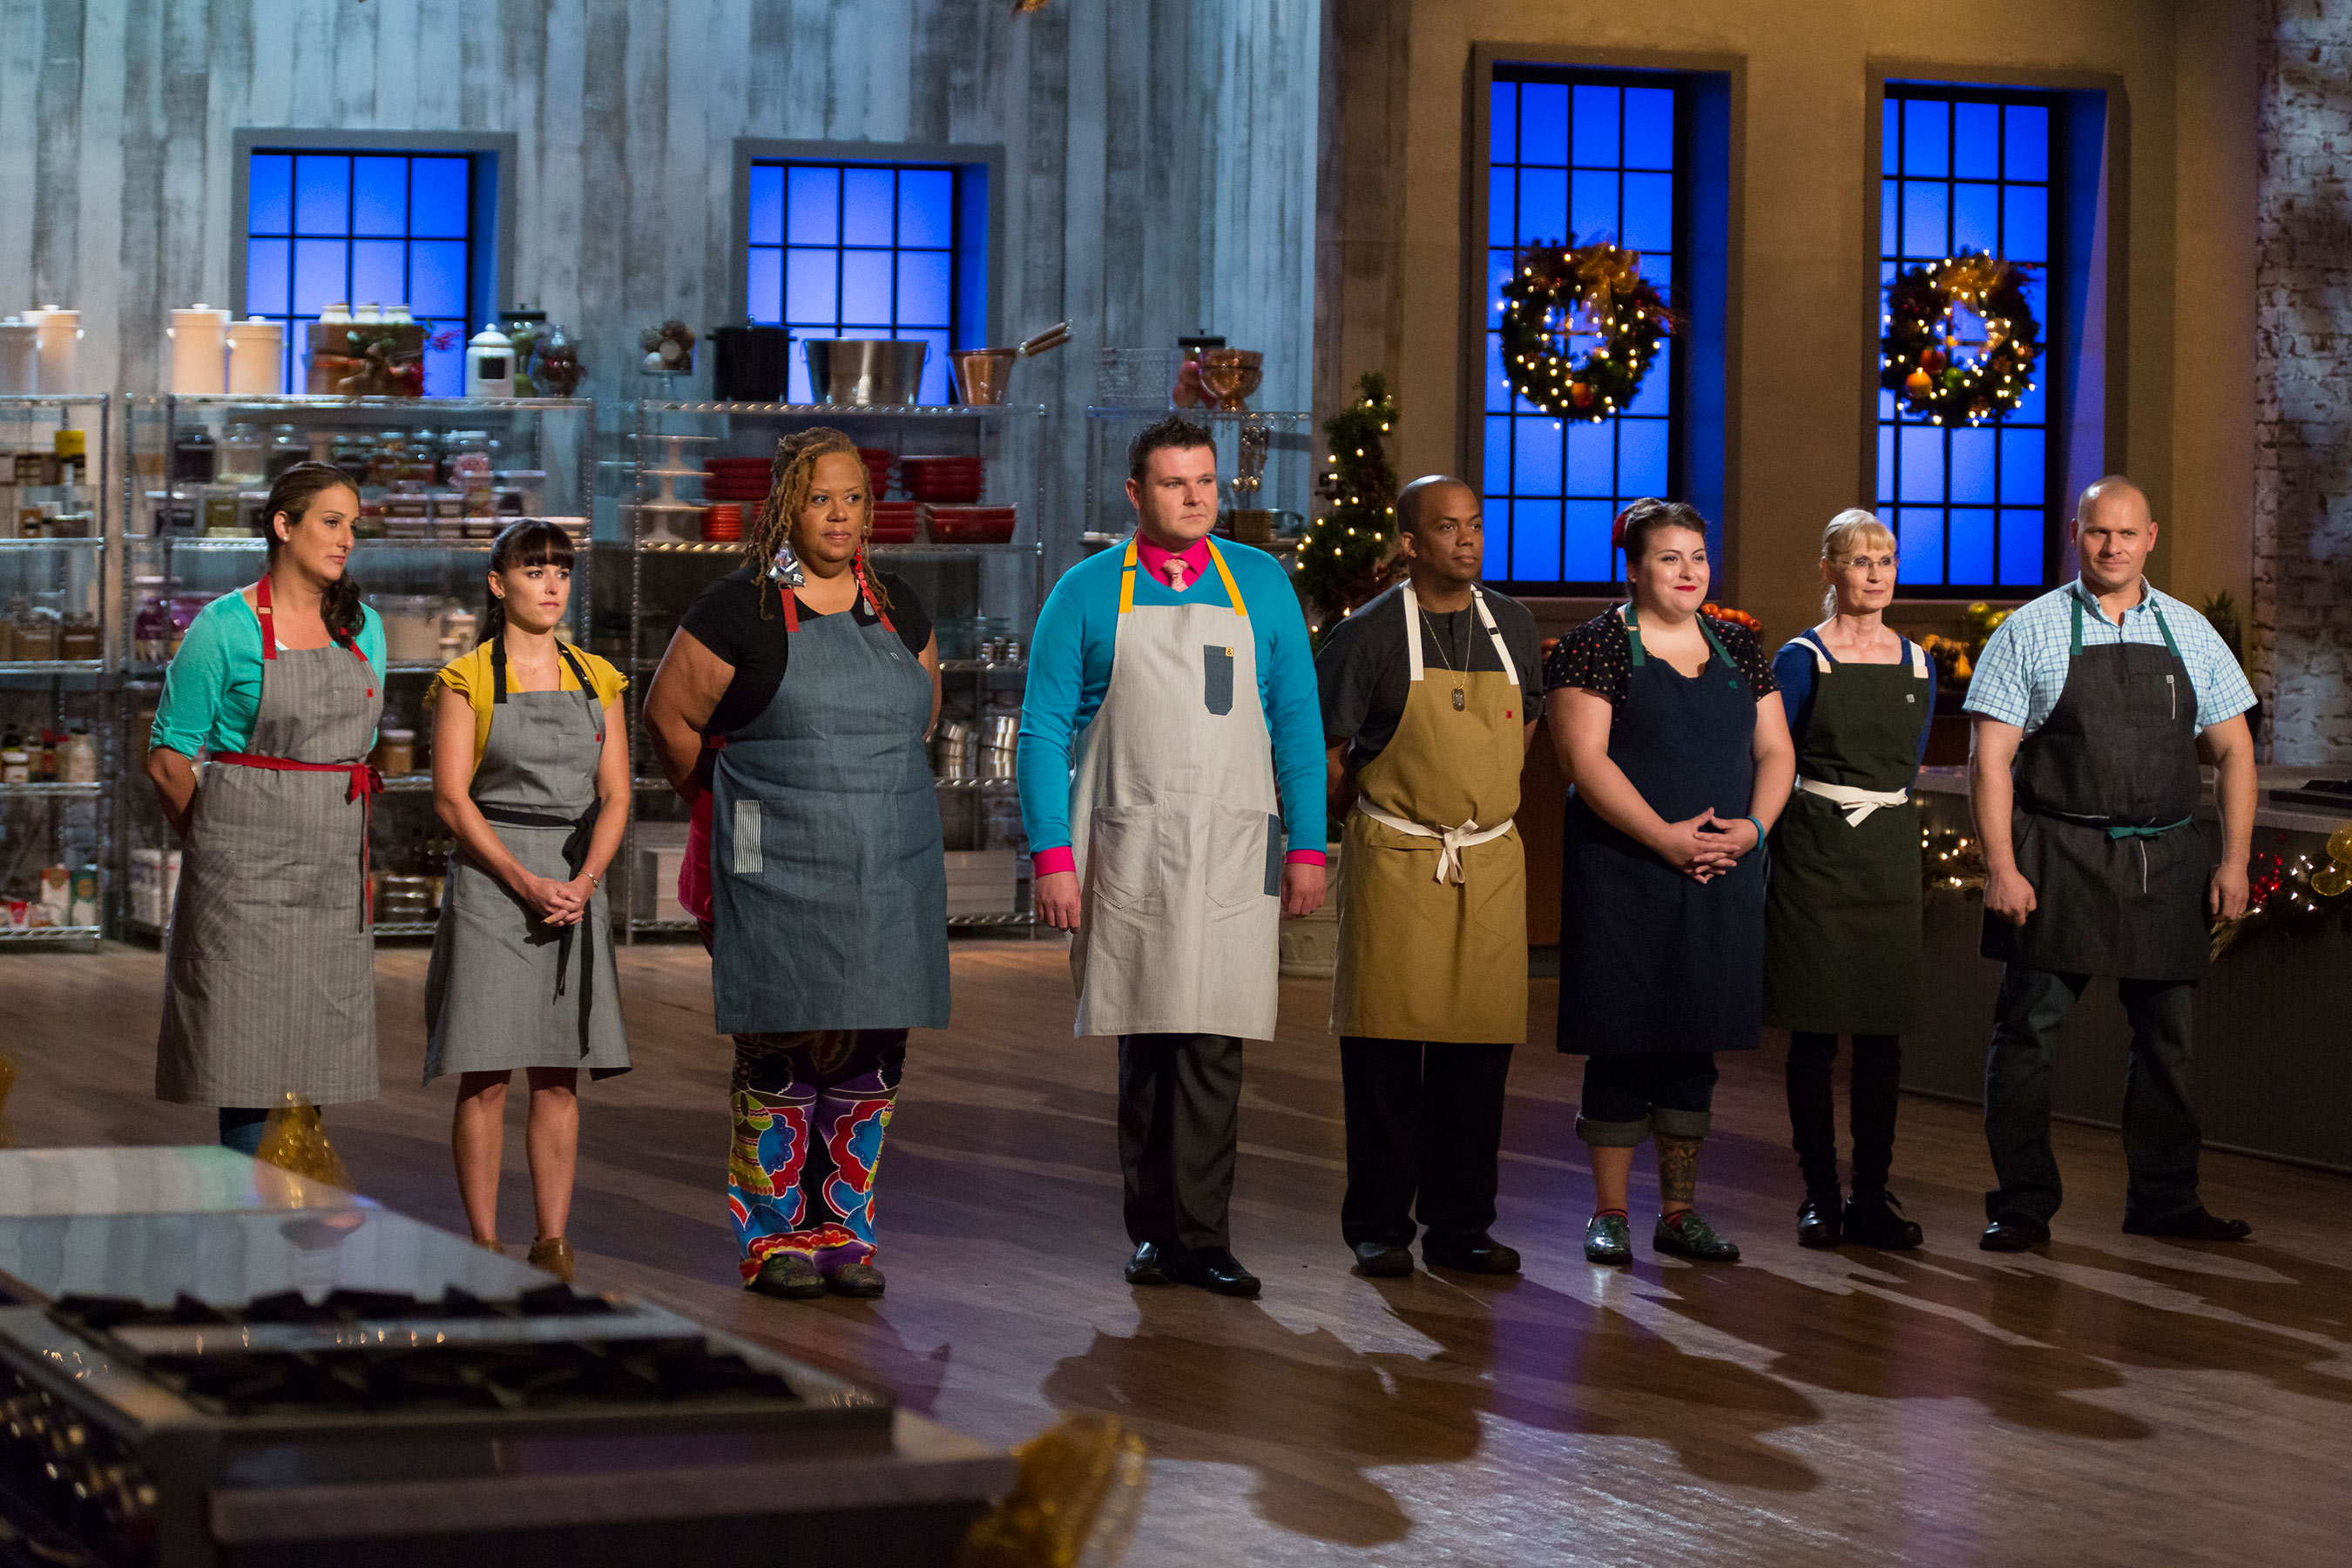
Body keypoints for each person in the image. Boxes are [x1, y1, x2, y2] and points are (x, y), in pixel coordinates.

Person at [1019, 413, 1327, 1299]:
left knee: (1215, 1039)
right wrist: (1052, 857)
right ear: (1135, 493)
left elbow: (1297, 725)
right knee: (1147, 1039)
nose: (1195, 497)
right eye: (1173, 482)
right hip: (1131, 848)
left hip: (1234, 847)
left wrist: (1308, 845)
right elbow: (1042, 732)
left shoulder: (1261, 583)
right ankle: (1155, 1233)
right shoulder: (1084, 593)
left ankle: (1205, 1238)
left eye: (1205, 481)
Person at [642, 427, 943, 1301]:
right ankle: (774, 1237)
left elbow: (919, 720)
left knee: (870, 1050)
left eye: (853, 498)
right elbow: (669, 719)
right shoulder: (736, 610)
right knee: (782, 1049)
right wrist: (730, 799)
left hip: (886, 865)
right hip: (771, 863)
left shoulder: (901, 607)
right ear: (784, 508)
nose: (839, 515)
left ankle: (844, 1230)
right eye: (820, 499)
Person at [1966, 476, 2257, 1250]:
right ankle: (2022, 1205)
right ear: (2076, 533)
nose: (2112, 546)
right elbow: (1989, 761)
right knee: (2027, 1038)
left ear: (2150, 539)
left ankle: (2165, 1200)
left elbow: (2235, 751)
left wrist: (2234, 860)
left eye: (2127, 533)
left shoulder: (2191, 631)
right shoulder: (2028, 631)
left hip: (2167, 861)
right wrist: (2002, 867)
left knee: (2169, 1043)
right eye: (2099, 531)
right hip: (2057, 857)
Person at [1544, 498, 1794, 1267]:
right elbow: (1584, 762)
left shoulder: (1738, 646)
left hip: (1720, 875)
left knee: (1694, 1044)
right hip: (1624, 876)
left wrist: (1751, 831)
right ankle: (1611, 1212)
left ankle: (1680, 1213)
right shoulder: (1593, 647)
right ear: (1633, 568)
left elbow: (1777, 752)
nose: (1689, 572)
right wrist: (1666, 838)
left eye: (1698, 557)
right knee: (1620, 1043)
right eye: (1669, 558)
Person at [1316, 476, 1539, 1279]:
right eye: (1448, 527)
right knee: (1385, 1055)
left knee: (1477, 1058)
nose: (1467, 539)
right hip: (1399, 858)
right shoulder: (1367, 634)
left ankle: (1461, 1226)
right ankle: (1379, 1226)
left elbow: (1525, 728)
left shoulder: (1513, 624)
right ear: (1410, 543)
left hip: (1489, 861)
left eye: (1474, 524)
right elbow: (1328, 753)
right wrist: (1378, 819)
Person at [146, 463, 387, 1153]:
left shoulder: (364, 627)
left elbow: (360, 747)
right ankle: (247, 1209)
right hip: (242, 882)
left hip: (331, 874)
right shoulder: (224, 627)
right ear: (284, 526)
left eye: (352, 526)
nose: (345, 540)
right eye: (331, 523)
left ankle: (297, 1206)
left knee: (313, 1058)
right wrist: (218, 842)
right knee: (245, 1059)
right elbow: (168, 759)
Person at [424, 520, 632, 1283]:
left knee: (557, 1073)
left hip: (574, 881)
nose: (551, 585)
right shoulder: (466, 680)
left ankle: (552, 1244)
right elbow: (451, 800)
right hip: (493, 881)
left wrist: (585, 882)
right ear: (498, 582)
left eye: (562, 572)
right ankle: (482, 1245)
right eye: (534, 570)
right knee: (484, 1072)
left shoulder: (599, 679)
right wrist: (522, 880)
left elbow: (616, 795)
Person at [1766, 510, 1935, 1251]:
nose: (1875, 573)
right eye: (1860, 560)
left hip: (1888, 858)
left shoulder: (1918, 663)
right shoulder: (1801, 660)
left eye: (1886, 560)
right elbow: (1771, 756)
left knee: (1880, 1041)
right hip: (1816, 853)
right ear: (1829, 570)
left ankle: (1871, 1197)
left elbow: (1907, 764)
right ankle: (1819, 1197)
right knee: (1813, 1038)